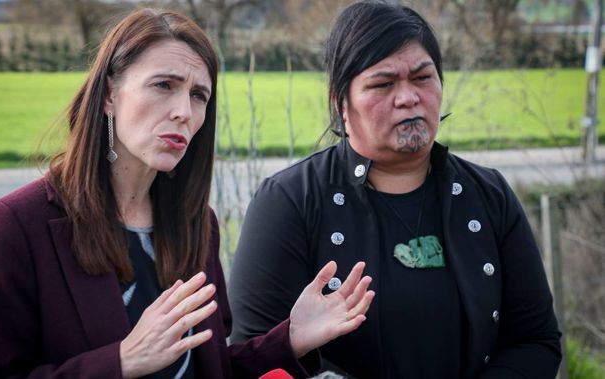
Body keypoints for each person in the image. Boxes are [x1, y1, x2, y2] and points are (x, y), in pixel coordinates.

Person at [0, 8, 375, 379]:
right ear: (108, 95)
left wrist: (291, 338)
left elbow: (210, 368)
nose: (184, 111)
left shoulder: (198, 225)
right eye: (163, 85)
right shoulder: (22, 224)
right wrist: (119, 362)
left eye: (199, 95)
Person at [228, 1, 562, 378]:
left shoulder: (488, 195)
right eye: (383, 84)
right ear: (341, 103)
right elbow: (250, 353)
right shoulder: (290, 200)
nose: (408, 97)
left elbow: (536, 340)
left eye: (422, 78)